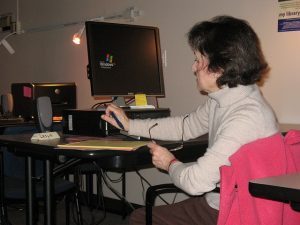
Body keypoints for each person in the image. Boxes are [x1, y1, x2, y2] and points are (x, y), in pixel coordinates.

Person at [101, 15, 278, 225]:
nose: (194, 68)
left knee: (140, 219)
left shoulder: (245, 117)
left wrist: (170, 163)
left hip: (234, 212)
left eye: (198, 60)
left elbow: (195, 182)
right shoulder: (227, 98)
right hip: (224, 202)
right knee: (141, 216)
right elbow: (184, 126)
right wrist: (130, 125)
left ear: (221, 66)